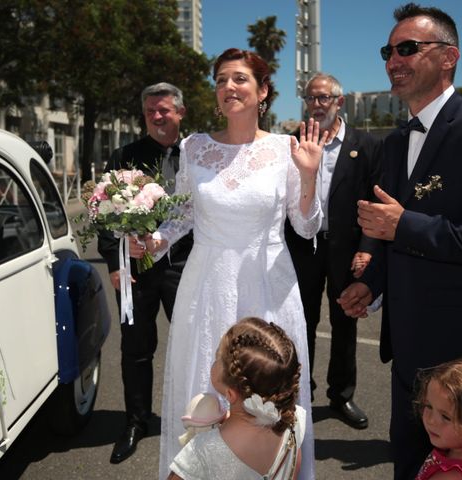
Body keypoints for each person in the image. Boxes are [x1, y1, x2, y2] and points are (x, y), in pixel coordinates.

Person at [338, 3, 462, 478]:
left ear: (449, 57)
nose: (393, 60)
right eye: (388, 50)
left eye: (408, 48)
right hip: (408, 353)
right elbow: (393, 231)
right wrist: (374, 282)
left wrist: (406, 225)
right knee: (407, 464)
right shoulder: (398, 141)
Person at [144, 48, 328, 480]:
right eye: (222, 79)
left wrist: (308, 176)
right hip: (206, 283)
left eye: (240, 79)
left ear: (263, 91)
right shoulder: (193, 147)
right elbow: (182, 214)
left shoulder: (289, 148)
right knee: (204, 384)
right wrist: (149, 242)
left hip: (268, 285)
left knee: (267, 388)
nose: (229, 87)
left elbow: (305, 228)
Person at [97, 82, 193, 464]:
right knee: (136, 349)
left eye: (164, 110)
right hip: (137, 269)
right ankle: (136, 421)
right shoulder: (124, 156)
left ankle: (195, 419)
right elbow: (102, 213)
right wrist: (116, 261)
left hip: (187, 265)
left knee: (190, 346)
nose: (157, 116)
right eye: (151, 110)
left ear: (180, 113)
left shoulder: (196, 153)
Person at [284, 73, 381, 429]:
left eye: (324, 98)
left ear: (340, 102)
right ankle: (300, 394)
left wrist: (368, 249)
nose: (316, 105)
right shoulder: (290, 143)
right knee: (300, 324)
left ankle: (341, 395)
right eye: (311, 98)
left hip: (347, 251)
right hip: (300, 249)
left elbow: (375, 201)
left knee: (344, 325)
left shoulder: (366, 145)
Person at [168, 317, 306, 480]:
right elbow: (293, 470)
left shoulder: (202, 451)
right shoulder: (294, 421)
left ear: (231, 394)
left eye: (218, 358)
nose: (215, 359)